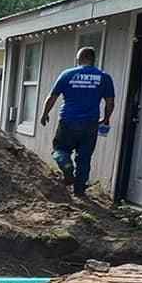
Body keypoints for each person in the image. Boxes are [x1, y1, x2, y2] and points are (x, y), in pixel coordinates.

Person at [38, 45, 115, 198]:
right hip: (90, 123)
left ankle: (66, 165)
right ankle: (79, 191)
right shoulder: (104, 77)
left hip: (68, 121)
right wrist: (106, 119)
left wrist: (45, 113)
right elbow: (110, 102)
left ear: (79, 59)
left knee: (60, 150)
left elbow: (52, 97)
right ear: (93, 60)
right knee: (84, 157)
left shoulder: (67, 74)